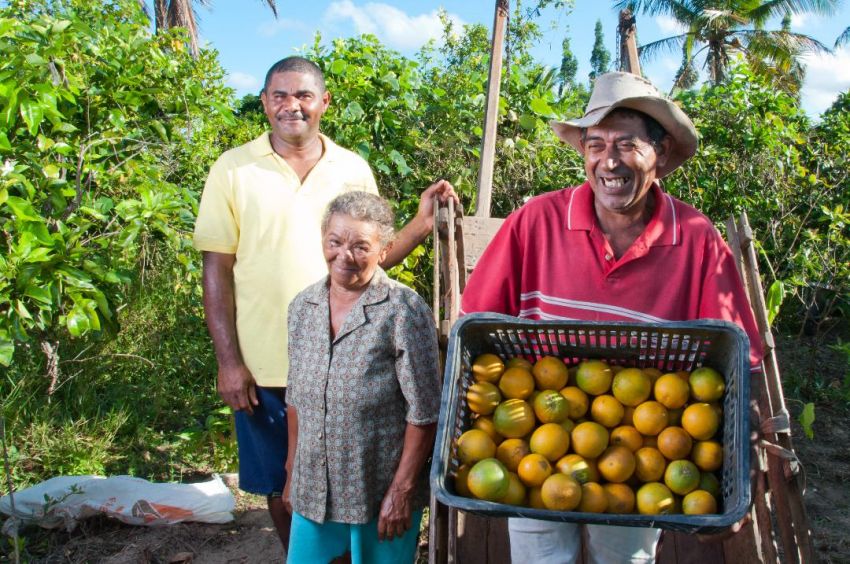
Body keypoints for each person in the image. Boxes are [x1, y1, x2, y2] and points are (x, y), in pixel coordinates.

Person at [460, 71, 764, 563]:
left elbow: (741, 359)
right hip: (532, 443)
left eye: (628, 144)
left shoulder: (695, 237)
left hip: (647, 457)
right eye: (596, 144)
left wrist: (742, 473)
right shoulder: (536, 221)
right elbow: (473, 327)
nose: (610, 161)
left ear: (660, 155)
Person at [193, 56, 455, 550]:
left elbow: (369, 256)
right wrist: (229, 362)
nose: (292, 106)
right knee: (282, 486)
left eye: (303, 96)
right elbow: (216, 270)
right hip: (265, 365)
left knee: (356, 490)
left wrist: (420, 224)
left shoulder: (351, 167)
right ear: (265, 102)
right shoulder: (233, 168)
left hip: (355, 366)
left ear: (324, 103)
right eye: (280, 96)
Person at [283, 191, 441, 563]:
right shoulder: (303, 307)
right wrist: (291, 473)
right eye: (335, 242)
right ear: (323, 240)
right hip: (313, 489)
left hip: (379, 495)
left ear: (384, 250)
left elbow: (425, 412)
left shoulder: (402, 309)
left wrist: (401, 492)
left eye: (360, 246)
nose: (344, 256)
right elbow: (295, 401)